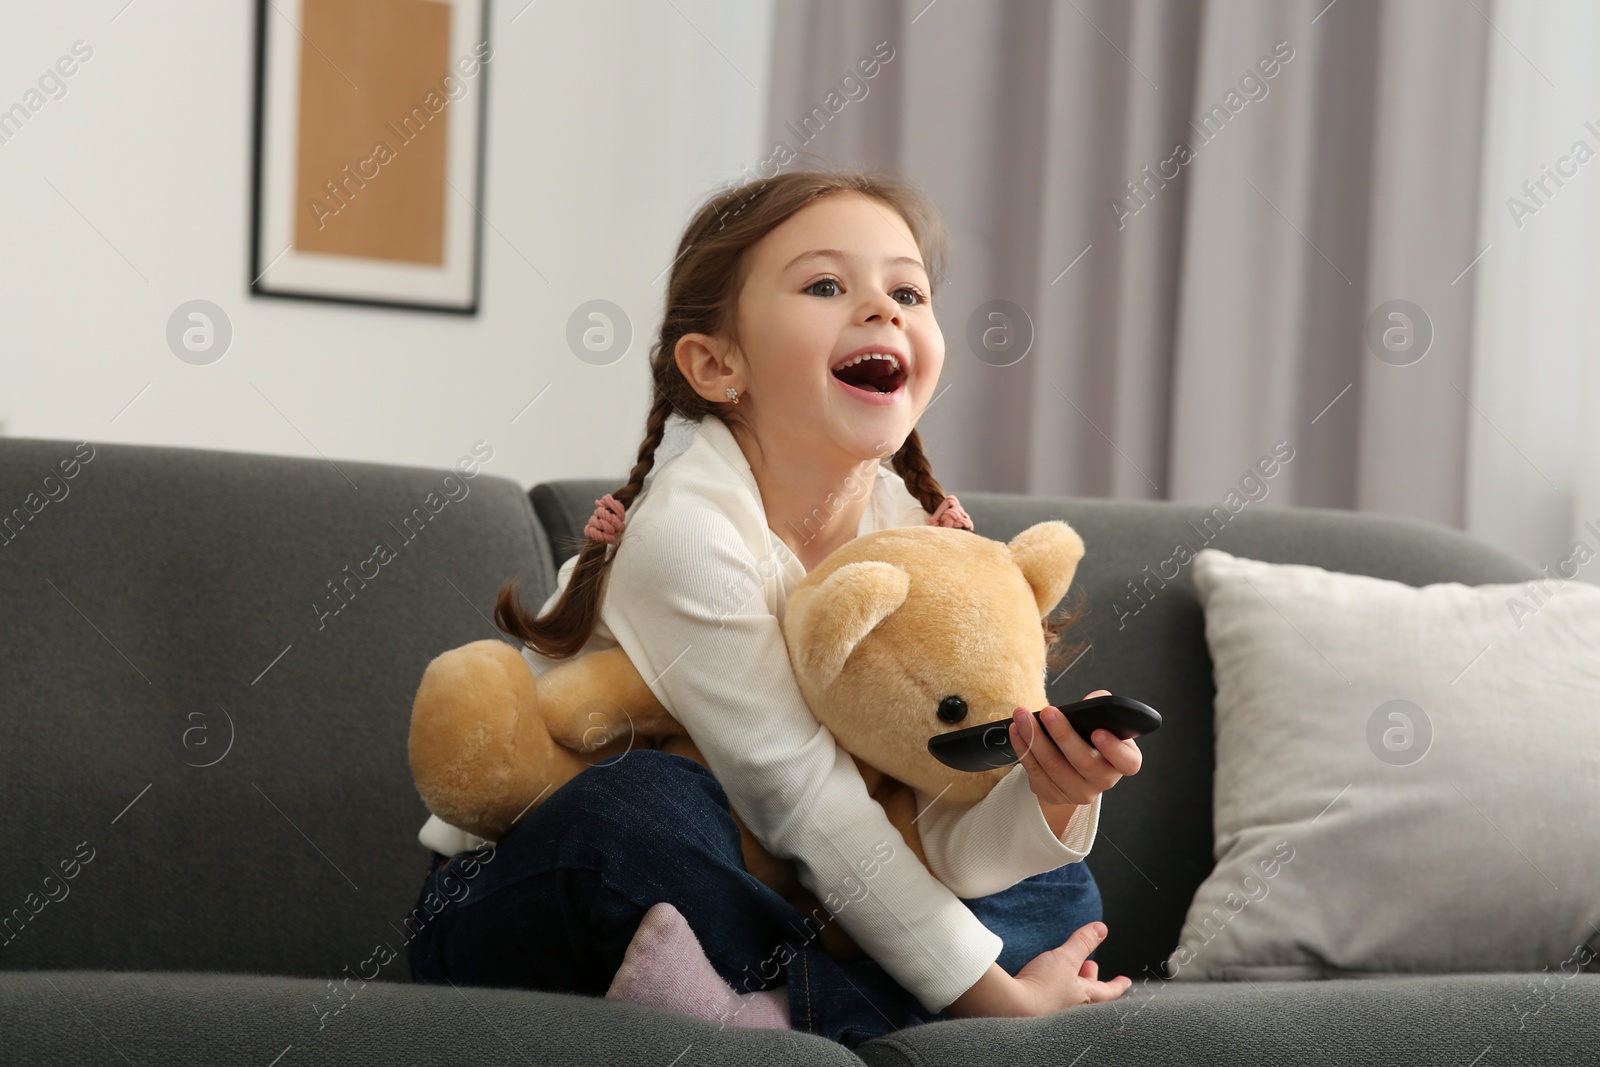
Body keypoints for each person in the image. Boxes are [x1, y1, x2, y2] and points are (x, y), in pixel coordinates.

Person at [406, 169, 1143, 1048]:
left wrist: (1045, 800)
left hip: (791, 892)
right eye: (828, 285)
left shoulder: (914, 536)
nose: (883, 309)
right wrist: (997, 1000)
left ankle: (749, 1004)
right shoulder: (683, 529)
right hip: (531, 888)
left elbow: (931, 809)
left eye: (907, 289)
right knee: (643, 810)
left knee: (1058, 888)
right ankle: (824, 1007)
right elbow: (801, 798)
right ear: (719, 365)